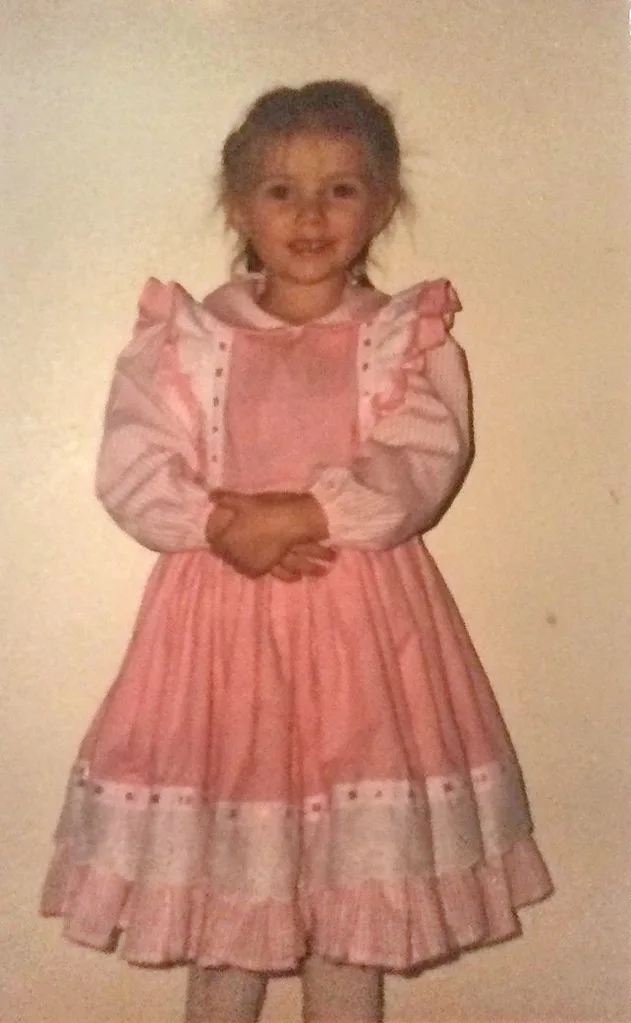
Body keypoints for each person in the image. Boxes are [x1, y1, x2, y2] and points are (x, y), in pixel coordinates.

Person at [40, 80, 552, 1023]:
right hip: (218, 642)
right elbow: (132, 460)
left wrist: (307, 513)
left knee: (351, 903)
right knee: (229, 895)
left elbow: (422, 456)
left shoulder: (399, 337)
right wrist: (217, 525)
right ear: (239, 206)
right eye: (281, 191)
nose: (310, 215)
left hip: (362, 636)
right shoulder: (188, 340)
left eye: (339, 189)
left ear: (381, 204)